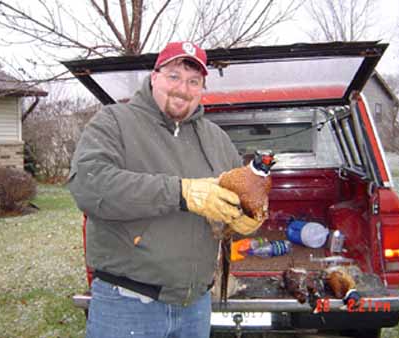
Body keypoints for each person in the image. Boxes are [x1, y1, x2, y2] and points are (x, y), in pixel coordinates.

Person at [68, 41, 263, 338]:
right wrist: (180, 193)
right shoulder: (114, 121)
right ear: (154, 76)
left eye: (193, 81)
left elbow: (235, 196)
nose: (183, 89)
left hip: (195, 305)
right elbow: (89, 184)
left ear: (202, 88)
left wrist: (244, 217)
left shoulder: (217, 139)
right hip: (127, 305)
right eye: (174, 77)